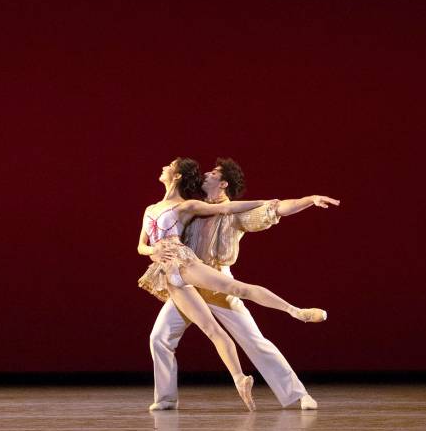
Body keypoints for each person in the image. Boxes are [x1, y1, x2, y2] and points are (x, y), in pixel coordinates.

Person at [137, 157, 338, 410]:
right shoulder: (191, 207)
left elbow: (275, 208)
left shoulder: (236, 212)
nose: (206, 174)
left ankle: (297, 395)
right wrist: (153, 251)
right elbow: (159, 237)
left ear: (223, 183)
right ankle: (166, 398)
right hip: (187, 281)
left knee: (254, 340)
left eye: (213, 172)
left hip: (218, 280)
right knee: (160, 337)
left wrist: (308, 200)